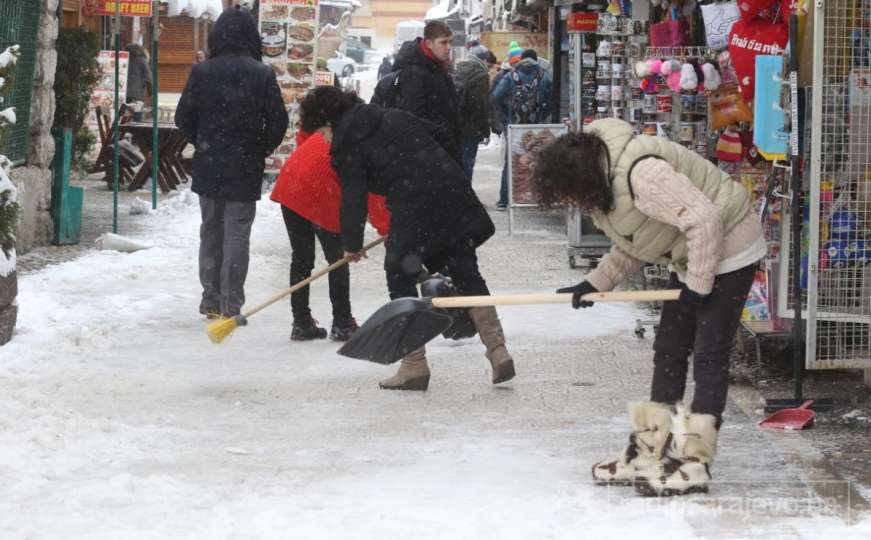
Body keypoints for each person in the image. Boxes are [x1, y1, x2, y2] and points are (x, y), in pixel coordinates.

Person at [532, 118, 767, 497]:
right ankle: (647, 453)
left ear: (582, 178)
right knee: (669, 349)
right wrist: (595, 283)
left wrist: (697, 288)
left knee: (709, 356)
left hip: (731, 245)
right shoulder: (608, 186)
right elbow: (638, 242)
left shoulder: (643, 174)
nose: (571, 204)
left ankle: (694, 464)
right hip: (694, 255)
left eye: (569, 195)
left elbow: (705, 220)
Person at [299, 86, 515, 391]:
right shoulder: (394, 116)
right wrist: (440, 173)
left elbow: (354, 197)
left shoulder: (348, 143)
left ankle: (414, 365)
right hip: (451, 192)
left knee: (399, 274)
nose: (324, 140)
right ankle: (498, 350)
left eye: (322, 133)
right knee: (466, 270)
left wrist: (351, 245)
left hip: (415, 202)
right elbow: (443, 136)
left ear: (329, 123)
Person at [175, 6, 289, 319]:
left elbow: (182, 116)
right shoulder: (262, 73)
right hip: (245, 165)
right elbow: (279, 121)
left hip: (209, 163)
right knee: (237, 233)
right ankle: (231, 304)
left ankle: (210, 299)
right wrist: (260, 147)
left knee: (210, 230)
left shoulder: (203, 71)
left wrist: (203, 142)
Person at [270, 128, 390, 341]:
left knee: (301, 258)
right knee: (339, 258)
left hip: (291, 185)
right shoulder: (364, 146)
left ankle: (301, 322)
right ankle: (342, 323)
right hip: (321, 193)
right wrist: (388, 230)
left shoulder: (331, 127)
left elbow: (303, 137)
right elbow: (370, 197)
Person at [383, 20, 462, 164]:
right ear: (429, 44)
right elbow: (413, 117)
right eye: (443, 43)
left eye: (450, 42)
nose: (448, 47)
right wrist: (442, 138)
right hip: (427, 156)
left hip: (441, 151)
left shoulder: (438, 67)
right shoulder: (414, 72)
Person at [492, 48, 552, 209]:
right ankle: (535, 198)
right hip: (535, 127)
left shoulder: (511, 76)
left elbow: (496, 96)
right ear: (536, 60)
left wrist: (506, 118)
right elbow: (551, 99)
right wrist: (542, 115)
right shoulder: (544, 76)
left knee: (510, 161)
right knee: (536, 160)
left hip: (514, 126)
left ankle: (504, 200)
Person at [454, 45, 495, 180]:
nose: (489, 67)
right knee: (468, 163)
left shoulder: (458, 71)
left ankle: (456, 194)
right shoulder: (481, 76)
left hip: (456, 125)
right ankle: (465, 196)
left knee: (457, 163)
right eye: (488, 64)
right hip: (471, 128)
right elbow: (481, 106)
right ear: (483, 60)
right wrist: (485, 131)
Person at [125, 44, 152, 122]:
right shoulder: (142, 60)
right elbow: (149, 78)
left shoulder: (124, 58)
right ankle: (135, 132)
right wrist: (151, 93)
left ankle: (124, 131)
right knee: (137, 117)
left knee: (124, 116)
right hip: (137, 95)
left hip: (123, 93)